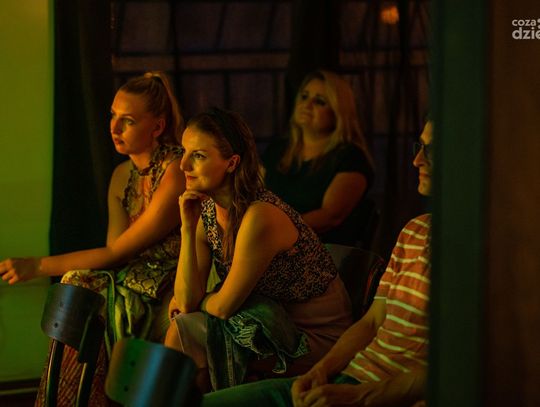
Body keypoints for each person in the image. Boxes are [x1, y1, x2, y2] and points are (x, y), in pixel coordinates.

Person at [201, 120, 434, 407]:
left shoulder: (477, 253)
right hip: (348, 376)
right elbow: (372, 321)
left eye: (431, 150)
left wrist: (359, 397)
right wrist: (320, 372)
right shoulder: (414, 231)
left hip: (378, 393)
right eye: (419, 146)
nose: (416, 160)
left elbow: (461, 365)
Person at [0, 71, 186, 406]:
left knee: (81, 283)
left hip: (173, 278)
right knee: (78, 284)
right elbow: (113, 252)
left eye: (128, 121)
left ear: (157, 127)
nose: (114, 128)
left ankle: (72, 398)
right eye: (113, 116)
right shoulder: (121, 175)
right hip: (132, 276)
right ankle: (67, 396)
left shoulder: (174, 170)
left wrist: (38, 266)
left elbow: (117, 252)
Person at [164, 107, 353, 392]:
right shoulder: (208, 212)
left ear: (231, 163)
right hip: (264, 322)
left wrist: (204, 298)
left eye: (198, 156)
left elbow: (223, 307)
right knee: (186, 332)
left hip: (312, 338)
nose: (183, 165)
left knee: (184, 334)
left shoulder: (259, 215)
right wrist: (187, 228)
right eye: (184, 152)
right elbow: (187, 302)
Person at [262, 70, 375, 246]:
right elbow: (253, 192)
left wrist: (275, 230)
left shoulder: (350, 158)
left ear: (338, 111)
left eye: (320, 101)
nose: (307, 104)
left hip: (321, 250)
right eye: (304, 96)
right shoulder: (277, 150)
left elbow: (330, 216)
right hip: (268, 245)